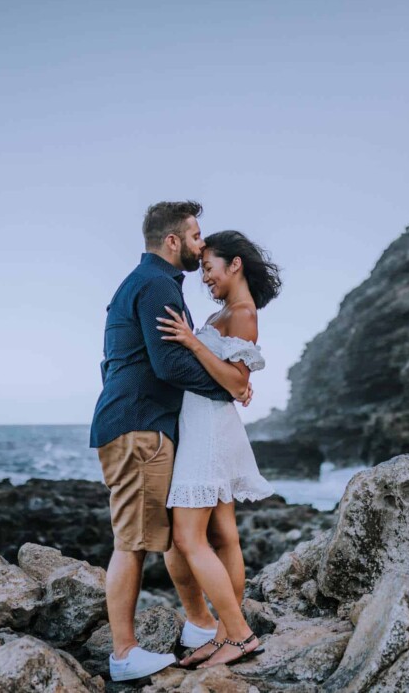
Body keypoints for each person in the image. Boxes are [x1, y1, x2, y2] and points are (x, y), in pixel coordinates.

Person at [89, 201, 253, 682]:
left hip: (142, 423)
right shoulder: (157, 284)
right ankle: (124, 654)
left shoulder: (141, 284)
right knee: (132, 543)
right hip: (140, 427)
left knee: (171, 537)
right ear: (173, 241)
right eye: (196, 236)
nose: (202, 245)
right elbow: (167, 365)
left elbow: (116, 361)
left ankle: (203, 625)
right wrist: (230, 386)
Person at [155, 230, 281, 668]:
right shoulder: (226, 312)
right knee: (223, 533)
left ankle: (238, 635)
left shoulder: (242, 313)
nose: (205, 277)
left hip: (208, 429)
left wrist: (191, 341)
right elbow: (233, 378)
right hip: (207, 423)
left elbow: (236, 382)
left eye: (209, 268)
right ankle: (226, 634)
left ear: (235, 264)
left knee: (188, 537)